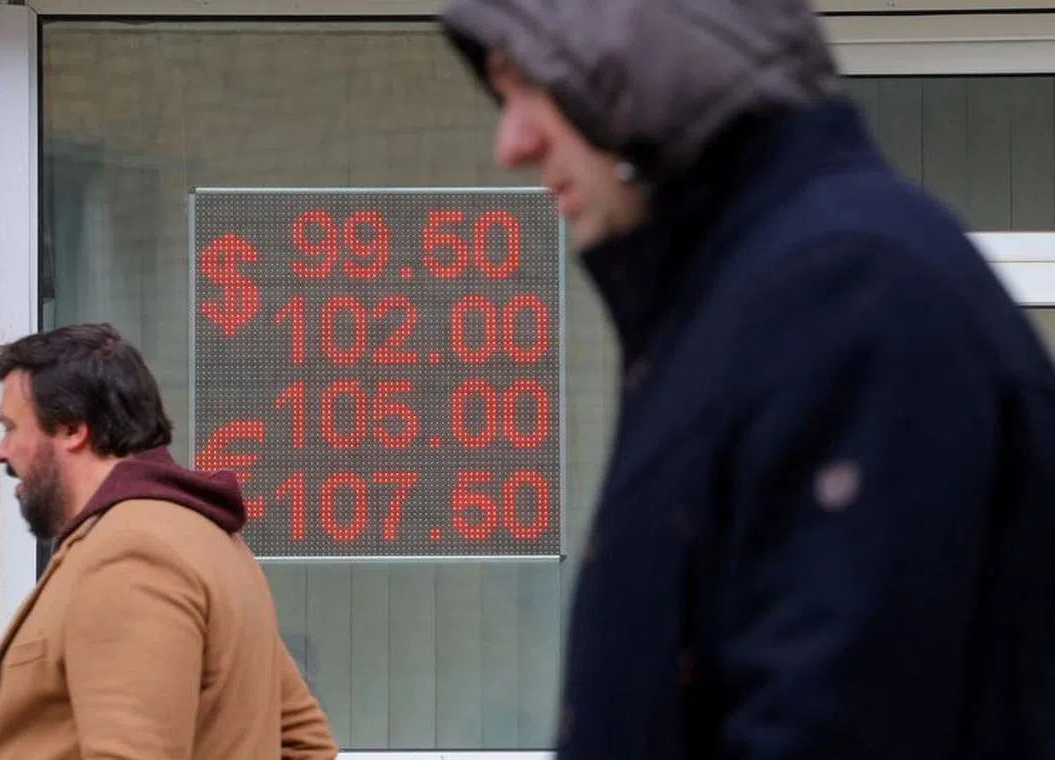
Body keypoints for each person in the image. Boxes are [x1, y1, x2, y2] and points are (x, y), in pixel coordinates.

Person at [440, 1, 1055, 759]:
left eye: (531, 87)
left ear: (645, 62)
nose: (512, 143)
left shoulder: (849, 300)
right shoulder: (736, 308)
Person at [0, 323, 338, 760]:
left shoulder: (130, 554)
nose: (2, 451)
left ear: (74, 429)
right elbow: (305, 745)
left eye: (12, 428)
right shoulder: (209, 539)